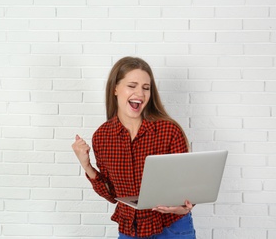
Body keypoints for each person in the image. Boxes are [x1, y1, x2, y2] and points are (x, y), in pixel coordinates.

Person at [72, 57, 196, 239]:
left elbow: (188, 185)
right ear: (115, 88)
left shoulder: (169, 130)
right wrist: (87, 166)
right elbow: (112, 195)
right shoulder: (103, 137)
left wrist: (181, 208)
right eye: (132, 86)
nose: (140, 93)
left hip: (172, 227)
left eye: (146, 88)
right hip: (131, 229)